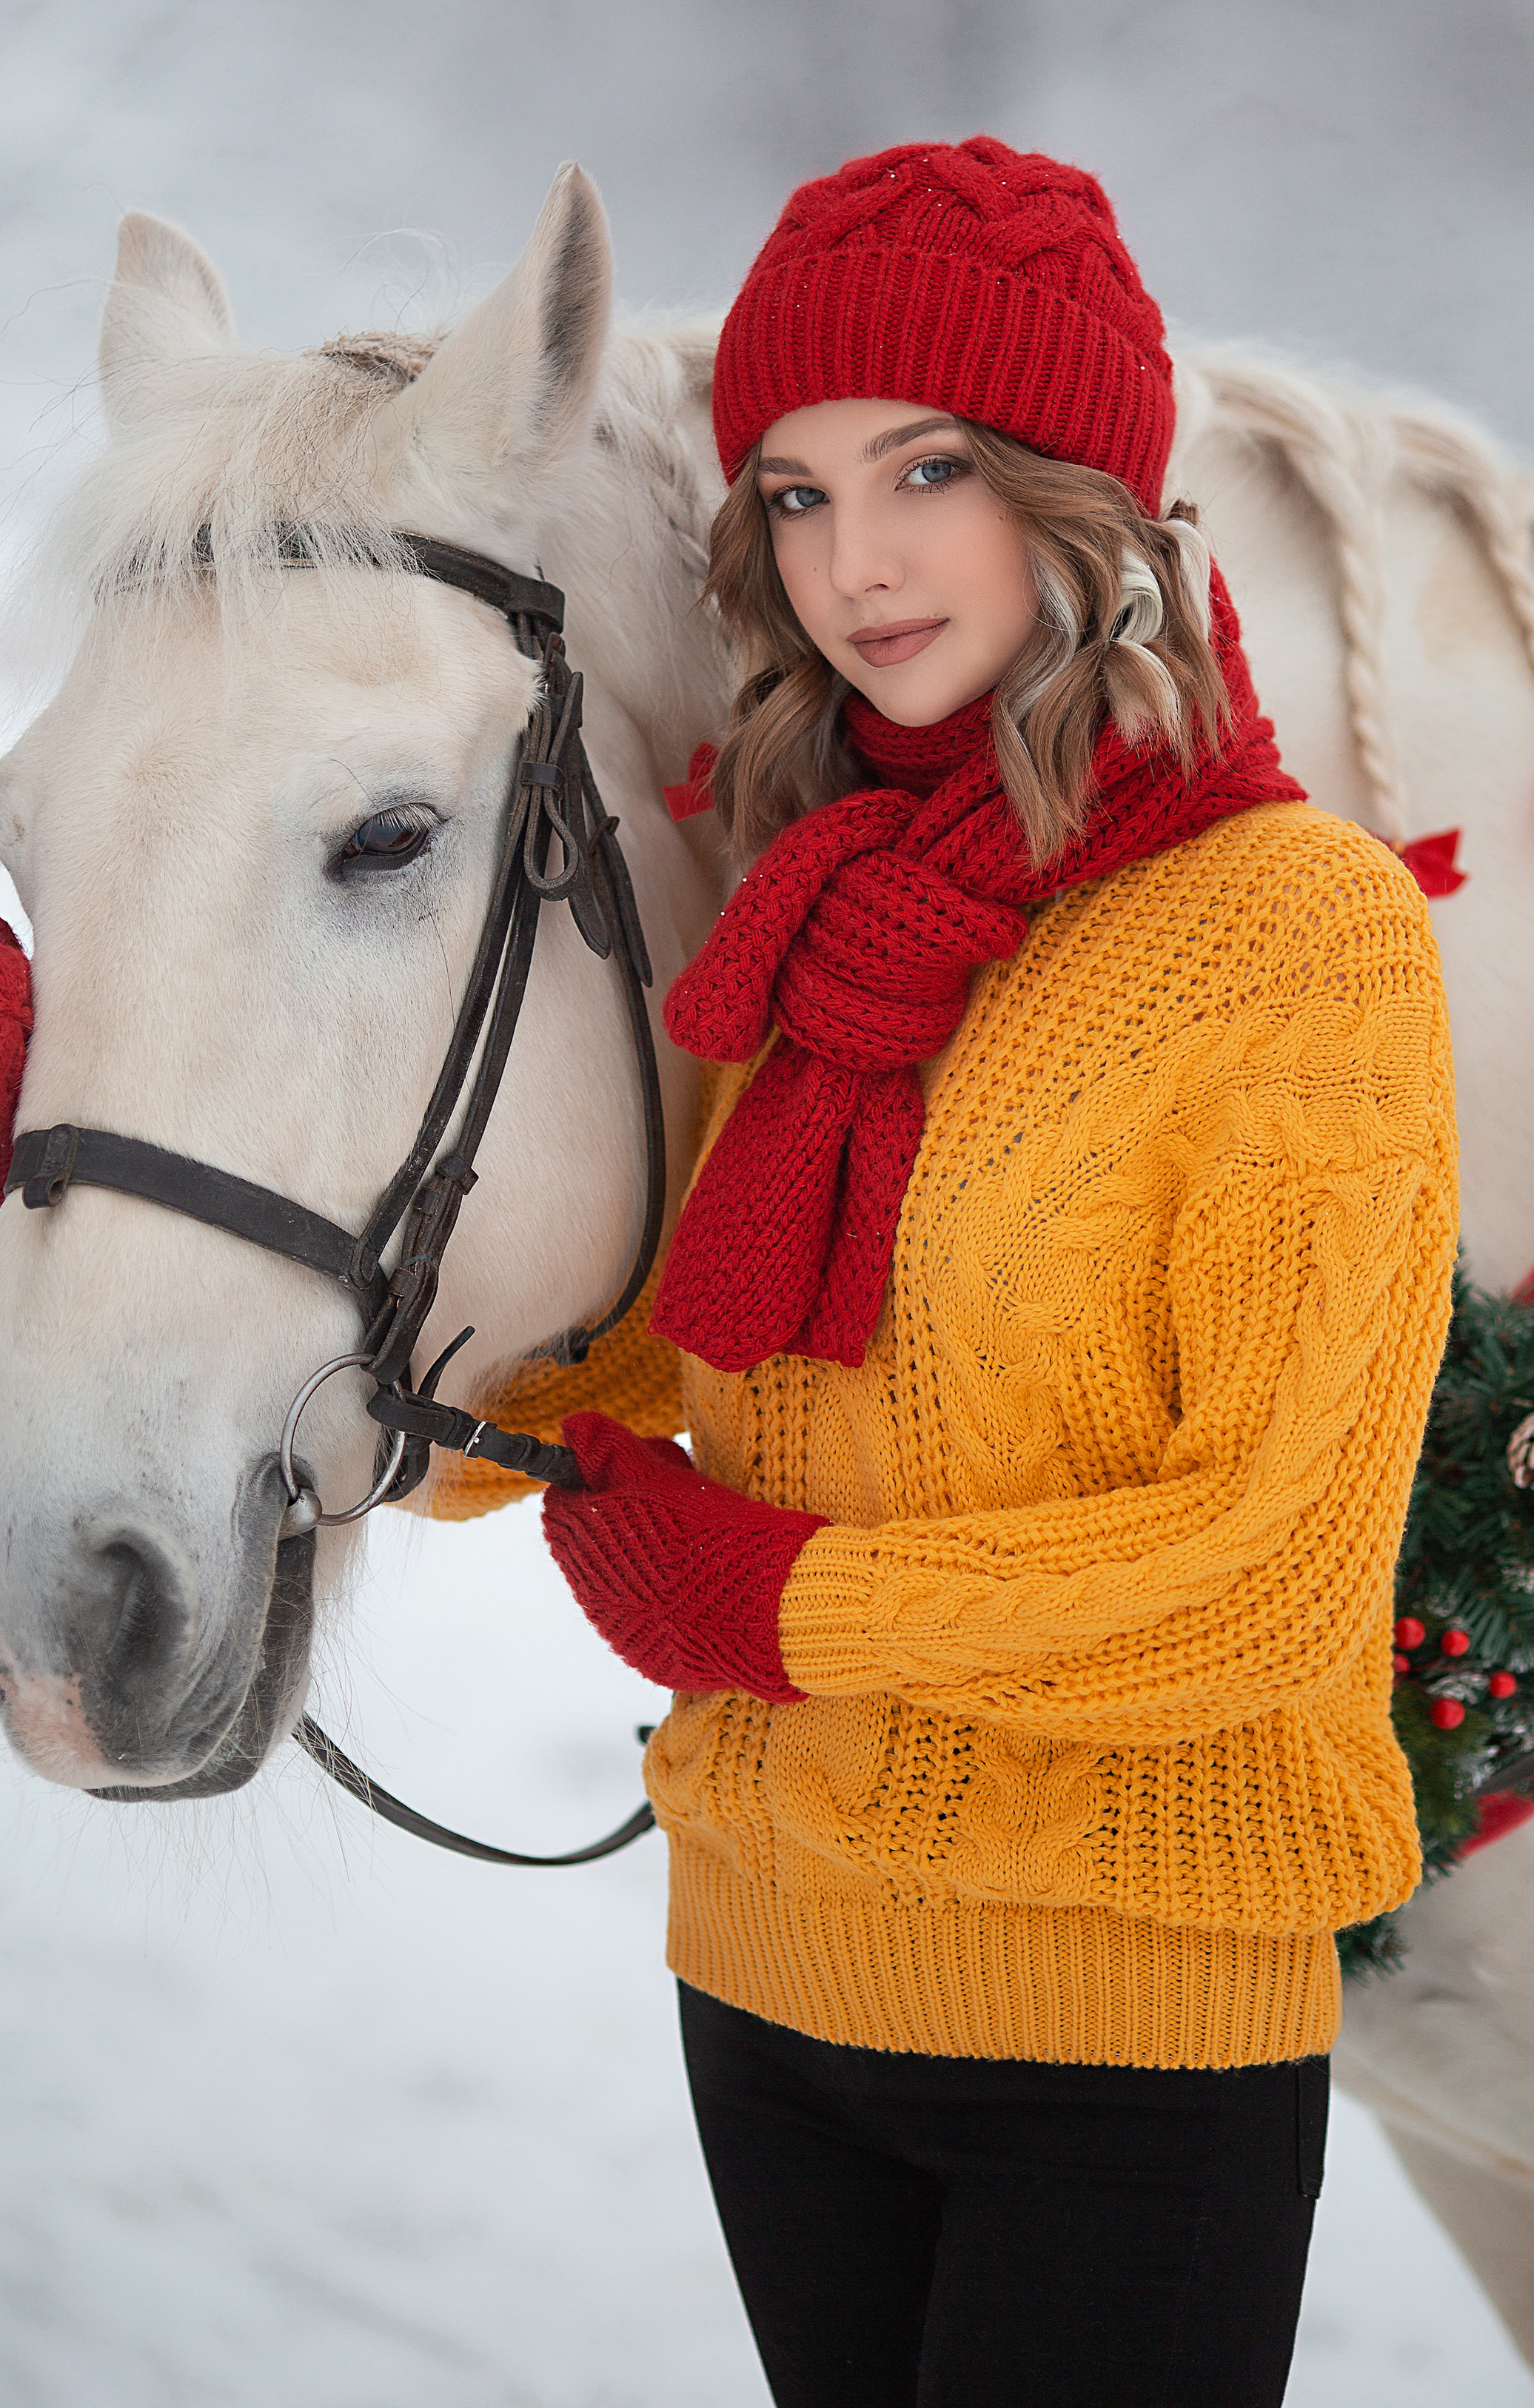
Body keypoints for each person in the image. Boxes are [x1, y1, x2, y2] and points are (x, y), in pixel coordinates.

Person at [441, 137, 1458, 2408]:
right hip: (771, 1979)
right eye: (790, 493)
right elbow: (629, 1370)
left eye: (926, 469)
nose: (855, 560)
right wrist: (104, 1201)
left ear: (1083, 486)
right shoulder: (813, 890)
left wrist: (781, 1613)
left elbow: (1272, 1579)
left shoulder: (1297, 937)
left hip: (1123, 2041)